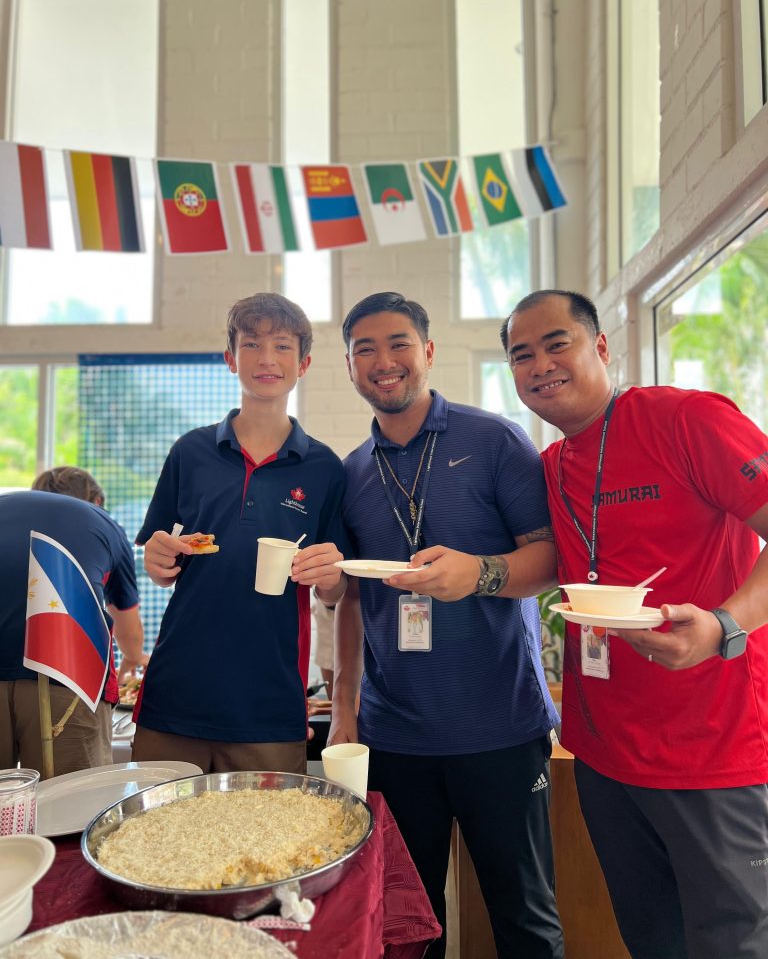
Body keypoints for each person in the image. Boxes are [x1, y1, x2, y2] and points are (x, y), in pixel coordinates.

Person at [503, 289, 768, 959]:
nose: (539, 365)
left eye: (556, 343)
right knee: (650, 940)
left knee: (734, 943)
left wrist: (721, 626)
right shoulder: (553, 467)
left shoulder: (685, 420)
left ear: (599, 346)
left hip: (712, 753)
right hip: (605, 757)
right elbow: (554, 564)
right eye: (521, 354)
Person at [329, 291, 563, 959]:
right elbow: (350, 597)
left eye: (399, 343)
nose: (384, 361)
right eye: (365, 349)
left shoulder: (492, 441)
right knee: (407, 924)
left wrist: (479, 574)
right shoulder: (350, 473)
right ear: (349, 368)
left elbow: (547, 559)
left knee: (525, 921)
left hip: (501, 728)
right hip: (396, 738)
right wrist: (344, 708)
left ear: (427, 353)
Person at [134, 293, 348, 775]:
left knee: (267, 847)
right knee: (161, 843)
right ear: (230, 359)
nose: (266, 358)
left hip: (269, 707)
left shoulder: (324, 469)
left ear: (304, 363)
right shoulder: (190, 452)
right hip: (176, 696)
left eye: (282, 346)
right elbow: (160, 564)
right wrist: (159, 559)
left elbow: (336, 590)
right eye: (251, 344)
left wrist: (331, 573)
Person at [0, 468, 147, 775]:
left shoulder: (6, 505)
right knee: (69, 802)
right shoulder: (102, 521)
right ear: (97, 499)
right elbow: (128, 624)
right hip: (65, 676)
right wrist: (133, 658)